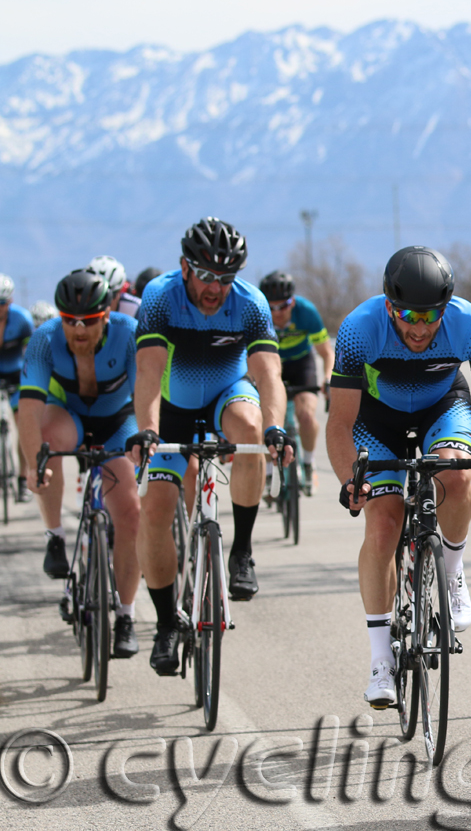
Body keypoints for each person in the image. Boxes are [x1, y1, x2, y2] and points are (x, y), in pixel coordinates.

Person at [327, 246, 471, 709]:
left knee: (456, 476)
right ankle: (380, 661)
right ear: (389, 305)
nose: (418, 327)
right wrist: (349, 480)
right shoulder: (359, 328)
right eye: (407, 314)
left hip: (442, 408)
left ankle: (451, 572)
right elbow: (339, 422)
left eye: (430, 315)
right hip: (375, 421)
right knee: (383, 523)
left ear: (447, 307)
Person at [124, 216, 292, 675]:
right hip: (173, 409)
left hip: (226, 395)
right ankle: (164, 625)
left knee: (250, 427)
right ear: (184, 267)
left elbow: (268, 374)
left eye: (225, 278)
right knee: (155, 510)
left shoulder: (250, 303)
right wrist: (149, 430)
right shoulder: (161, 297)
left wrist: (276, 427)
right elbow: (149, 373)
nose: (215, 288)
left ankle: (241, 551)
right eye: (206, 275)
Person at [20, 271, 142, 657]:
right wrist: (31, 465)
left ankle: (126, 615)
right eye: (69, 320)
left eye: (87, 321)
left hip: (118, 421)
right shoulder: (44, 339)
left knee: (130, 512)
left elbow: (145, 395)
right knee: (45, 446)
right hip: (68, 416)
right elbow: (29, 408)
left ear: (105, 314)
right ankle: (55, 535)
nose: (77, 329)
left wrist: (143, 441)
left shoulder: (129, 333)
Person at [259, 270, 334, 495]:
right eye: (272, 307)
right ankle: (270, 474)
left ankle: (309, 464)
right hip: (271, 365)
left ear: (293, 301)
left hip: (302, 364)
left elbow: (326, 353)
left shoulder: (306, 312)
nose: (278, 312)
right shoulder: (257, 314)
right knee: (266, 421)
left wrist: (328, 378)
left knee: (307, 416)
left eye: (284, 305)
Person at [0, 274, 36, 501]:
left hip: (16, 373)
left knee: (23, 423)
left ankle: (23, 479)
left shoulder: (22, 319)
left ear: (10, 301)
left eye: (2, 304)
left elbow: (33, 355)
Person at [77, 256, 142, 318]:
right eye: (94, 296)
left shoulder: (137, 309)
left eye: (109, 296)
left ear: (119, 292)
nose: (102, 304)